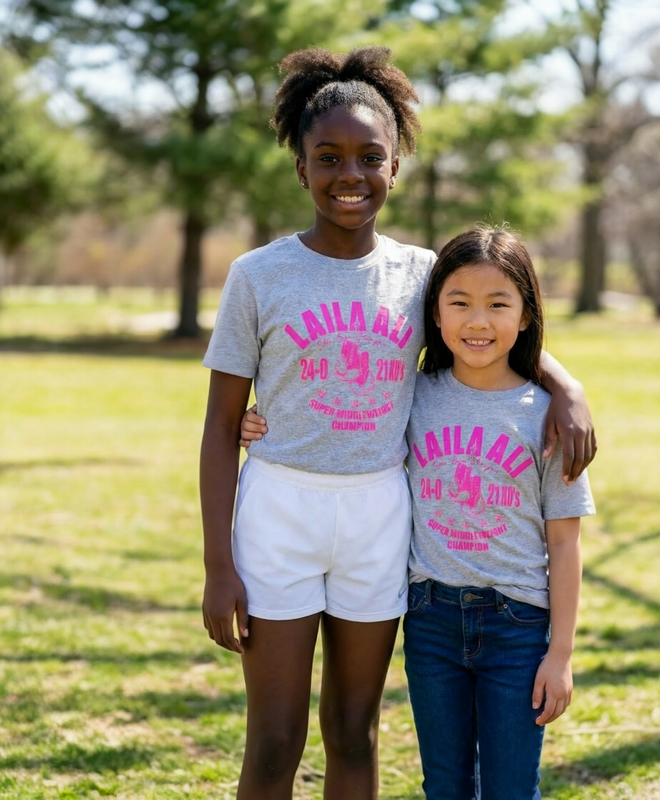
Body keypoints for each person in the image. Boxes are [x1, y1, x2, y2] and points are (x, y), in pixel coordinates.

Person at [202, 46, 596, 800]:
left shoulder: (419, 274)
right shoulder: (257, 275)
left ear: (394, 169)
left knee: (355, 730)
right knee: (276, 736)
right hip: (279, 511)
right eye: (329, 158)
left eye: (369, 158)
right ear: (301, 169)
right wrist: (219, 566)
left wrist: (566, 385)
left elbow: (489, 328)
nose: (350, 175)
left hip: (382, 515)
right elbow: (221, 428)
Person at [403, 225, 594, 800]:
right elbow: (344, 414)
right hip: (430, 618)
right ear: (435, 314)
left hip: (518, 627)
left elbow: (564, 544)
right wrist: (262, 419)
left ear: (527, 314)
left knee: (512, 788)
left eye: (498, 304)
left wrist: (560, 654)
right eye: (458, 303)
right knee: (446, 786)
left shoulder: (548, 418)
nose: (478, 322)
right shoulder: (411, 396)